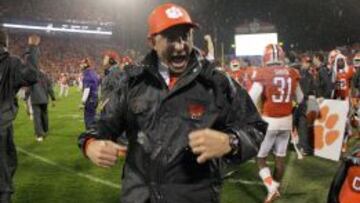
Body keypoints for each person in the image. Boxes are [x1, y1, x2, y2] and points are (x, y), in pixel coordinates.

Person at [78, 3, 267, 203]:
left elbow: (255, 127)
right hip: (139, 197)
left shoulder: (216, 81)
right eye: (170, 37)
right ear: (152, 41)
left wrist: (231, 141)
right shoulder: (132, 81)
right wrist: (91, 145)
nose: (180, 45)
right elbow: (102, 124)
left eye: (185, 36)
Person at [249, 44, 304, 203]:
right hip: (286, 121)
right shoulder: (292, 72)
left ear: (266, 57)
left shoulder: (263, 72)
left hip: (269, 121)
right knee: (280, 160)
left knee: (260, 159)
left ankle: (271, 188)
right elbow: (300, 99)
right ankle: (275, 190)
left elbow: (251, 98)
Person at [0, 30, 38, 202]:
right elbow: (31, 76)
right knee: (3, 179)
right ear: (5, 42)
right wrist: (32, 49)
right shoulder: (11, 62)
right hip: (2, 126)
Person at [25, 35, 56, 142]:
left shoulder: (32, 74)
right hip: (44, 98)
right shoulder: (45, 75)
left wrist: (26, 98)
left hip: (36, 98)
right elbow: (49, 87)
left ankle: (39, 134)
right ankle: (45, 129)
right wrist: (53, 98)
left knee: (37, 117)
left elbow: (29, 87)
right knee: (45, 114)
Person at [80, 58, 99, 130]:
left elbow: (87, 89)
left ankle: (91, 136)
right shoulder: (93, 73)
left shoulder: (87, 74)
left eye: (82, 64)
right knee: (93, 117)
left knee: (89, 119)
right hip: (95, 97)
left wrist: (83, 101)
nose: (80, 65)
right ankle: (94, 132)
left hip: (90, 99)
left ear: (85, 64)